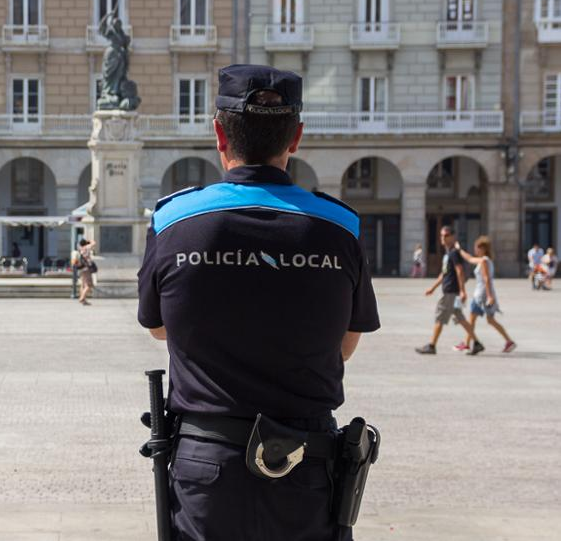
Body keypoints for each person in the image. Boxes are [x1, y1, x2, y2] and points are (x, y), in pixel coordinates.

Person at [137, 65, 380, 541]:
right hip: (307, 467)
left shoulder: (173, 221)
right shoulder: (340, 227)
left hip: (207, 464)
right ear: (297, 137)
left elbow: (158, 328)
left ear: (219, 135)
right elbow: (345, 345)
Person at [416, 226, 484, 355]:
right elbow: (444, 274)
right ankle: (477, 343)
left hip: (450, 291)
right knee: (460, 318)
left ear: (453, 237)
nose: (443, 238)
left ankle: (432, 346)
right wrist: (433, 288)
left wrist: (463, 290)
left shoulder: (453, 253)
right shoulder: (448, 254)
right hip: (451, 290)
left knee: (440, 317)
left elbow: (459, 271)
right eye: (442, 235)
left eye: (446, 235)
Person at [455, 236, 516, 353]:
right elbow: (470, 258)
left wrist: (489, 296)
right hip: (484, 293)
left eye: (477, 248)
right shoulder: (485, 260)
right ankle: (509, 341)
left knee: (472, 319)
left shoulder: (484, 261)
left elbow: (486, 278)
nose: (475, 250)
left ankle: (466, 344)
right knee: (489, 320)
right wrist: (459, 250)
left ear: (483, 248)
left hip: (481, 295)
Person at [76, 238, 96, 305]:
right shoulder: (86, 247)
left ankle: (84, 300)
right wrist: (89, 240)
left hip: (81, 268)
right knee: (89, 285)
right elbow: (94, 243)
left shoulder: (80, 249)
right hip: (86, 268)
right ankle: (82, 298)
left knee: (83, 285)